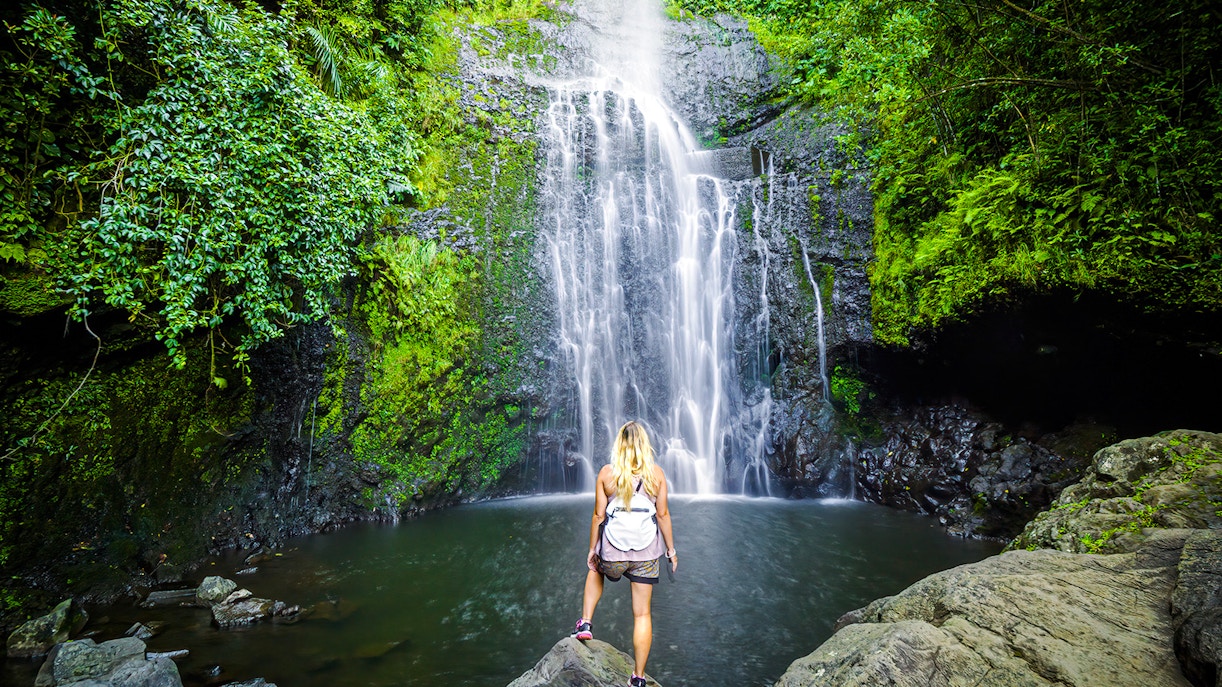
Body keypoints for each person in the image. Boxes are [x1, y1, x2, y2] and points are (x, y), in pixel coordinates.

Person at [573, 421, 677, 687]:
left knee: (595, 568)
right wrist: (671, 551)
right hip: (646, 555)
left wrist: (592, 550)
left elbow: (598, 515)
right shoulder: (656, 475)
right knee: (642, 615)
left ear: (619, 444)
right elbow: (663, 515)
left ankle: (585, 623)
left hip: (613, 553)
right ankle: (638, 678)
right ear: (645, 444)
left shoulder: (607, 474)